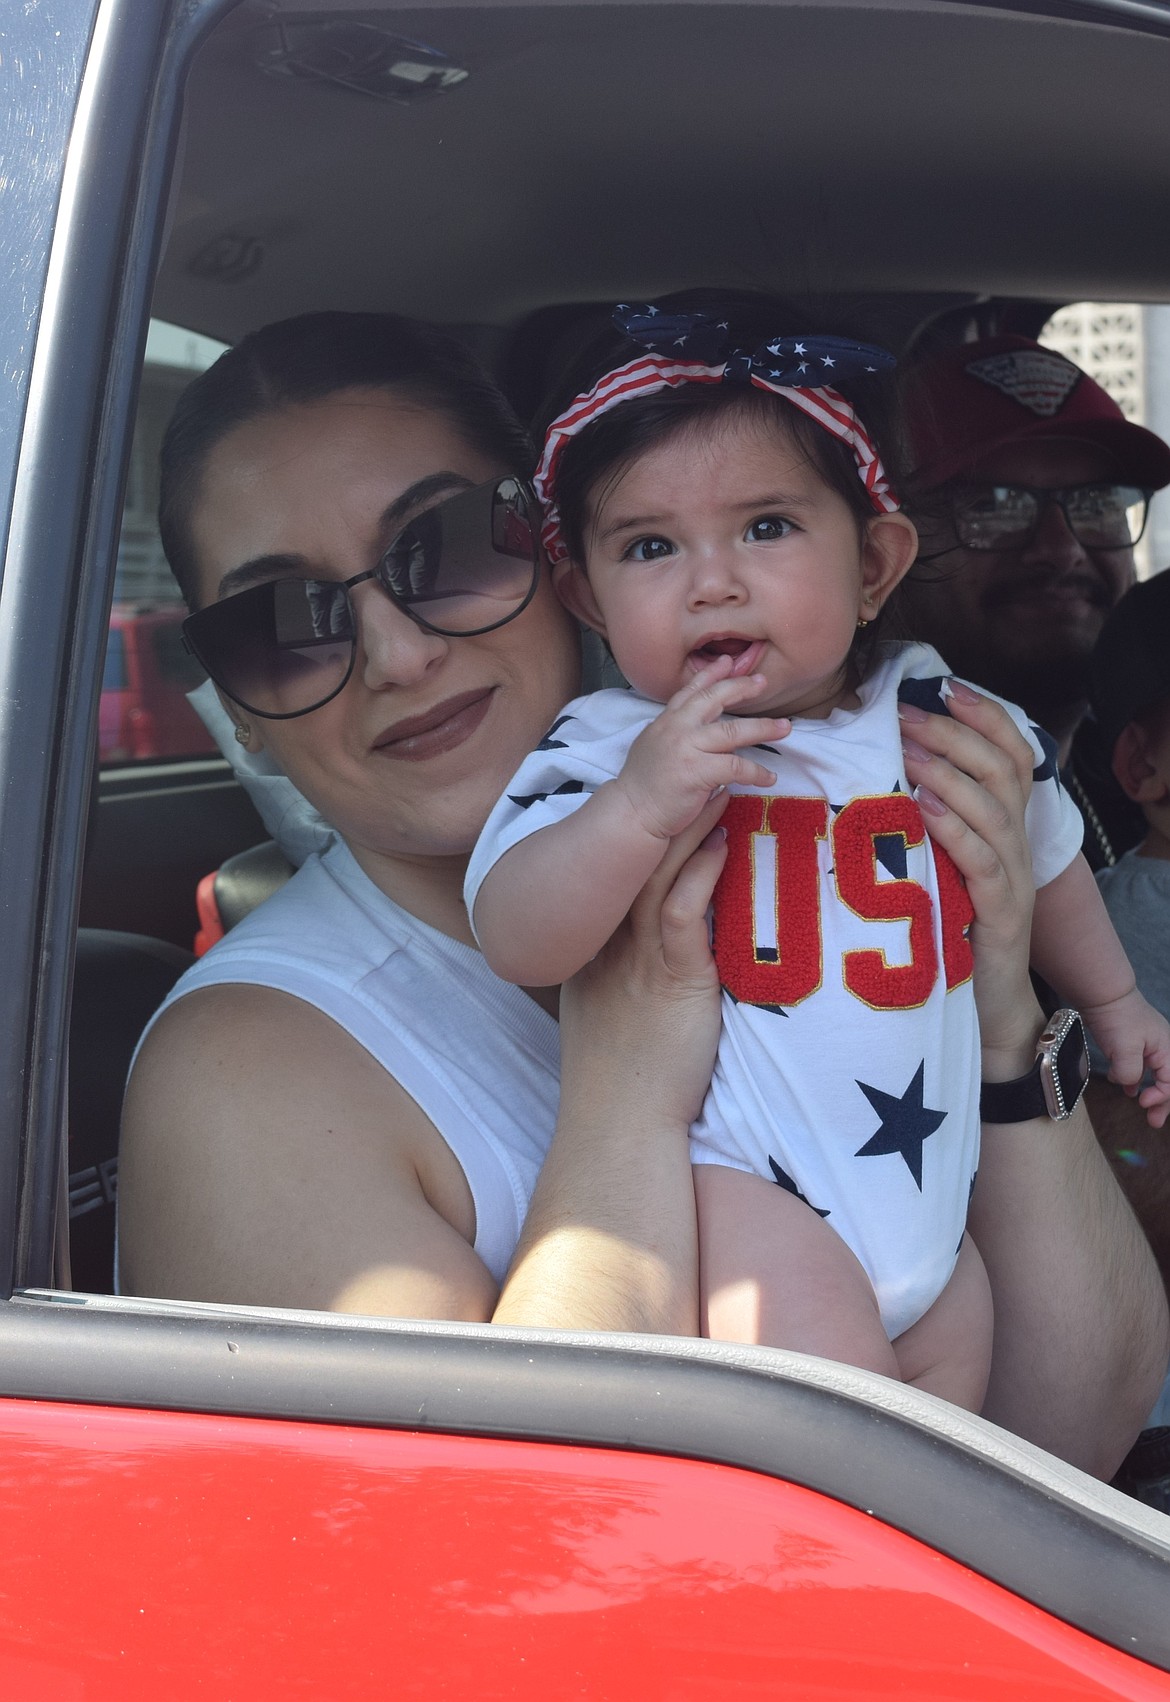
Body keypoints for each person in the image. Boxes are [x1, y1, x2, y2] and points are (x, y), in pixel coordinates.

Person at [116, 309, 1168, 1479]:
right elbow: (502, 1576)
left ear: (544, 560)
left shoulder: (849, 781)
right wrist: (623, 1098)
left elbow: (1066, 1434)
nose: (397, 653)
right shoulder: (245, 1082)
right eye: (280, 625)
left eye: (448, 545)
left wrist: (1006, 1012)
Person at [465, 302, 1170, 1410]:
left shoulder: (938, 711)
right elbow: (514, 932)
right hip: (751, 1197)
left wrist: (1117, 999)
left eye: (768, 529)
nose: (712, 580)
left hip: (935, 1197)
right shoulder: (606, 751)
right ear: (588, 598)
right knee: (862, 1450)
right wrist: (639, 810)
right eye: (650, 547)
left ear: (878, 563)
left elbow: (1047, 851)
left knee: (954, 1439)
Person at [899, 333, 1170, 867]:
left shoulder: (1139, 766)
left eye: (1097, 502)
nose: (1061, 549)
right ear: (880, 553)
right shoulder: (838, 807)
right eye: (993, 506)